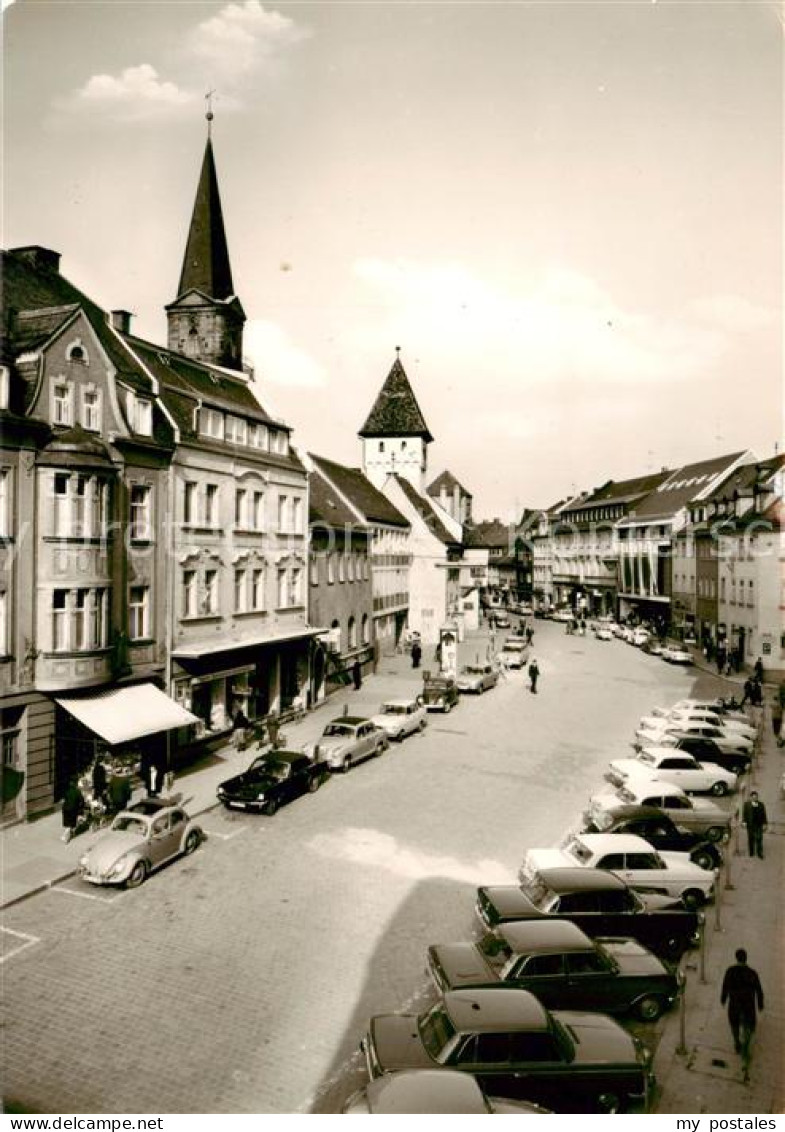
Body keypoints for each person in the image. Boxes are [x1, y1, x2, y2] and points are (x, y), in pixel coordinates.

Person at [720, 949, 764, 1061]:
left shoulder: (730, 971)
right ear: (746, 958)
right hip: (748, 1005)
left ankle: (737, 1042)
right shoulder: (752, 973)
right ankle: (746, 1044)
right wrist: (760, 1003)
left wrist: (723, 999)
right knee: (749, 1026)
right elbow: (759, 990)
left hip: (734, 1004)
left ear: (736, 958)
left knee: (734, 1024)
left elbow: (725, 986)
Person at [742, 791, 768, 859]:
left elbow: (764, 815)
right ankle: (751, 852)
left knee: (759, 839)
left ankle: (759, 853)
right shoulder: (746, 805)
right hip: (750, 825)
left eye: (756, 797)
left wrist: (765, 823)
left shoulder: (761, 804)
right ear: (751, 797)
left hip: (758, 824)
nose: (754, 798)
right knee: (751, 839)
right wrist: (744, 821)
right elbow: (744, 814)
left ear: (757, 797)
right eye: (753, 797)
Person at [61, 777, 83, 843]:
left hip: (66, 809)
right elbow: (81, 800)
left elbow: (63, 799)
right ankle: (65, 837)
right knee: (70, 825)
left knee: (68, 823)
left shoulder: (66, 791)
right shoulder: (77, 791)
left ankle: (69, 834)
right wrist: (80, 808)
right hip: (72, 810)